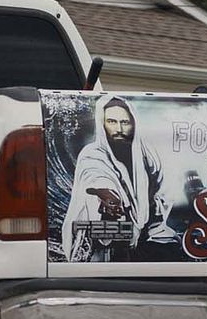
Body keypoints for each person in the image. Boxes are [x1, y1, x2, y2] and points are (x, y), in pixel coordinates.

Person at [61, 96, 175, 261]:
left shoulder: (147, 155)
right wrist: (107, 195)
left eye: (125, 122)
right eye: (112, 122)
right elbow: (96, 176)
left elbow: (161, 189)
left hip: (142, 236)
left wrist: (152, 217)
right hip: (106, 240)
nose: (119, 129)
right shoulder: (92, 154)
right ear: (102, 124)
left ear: (134, 124)